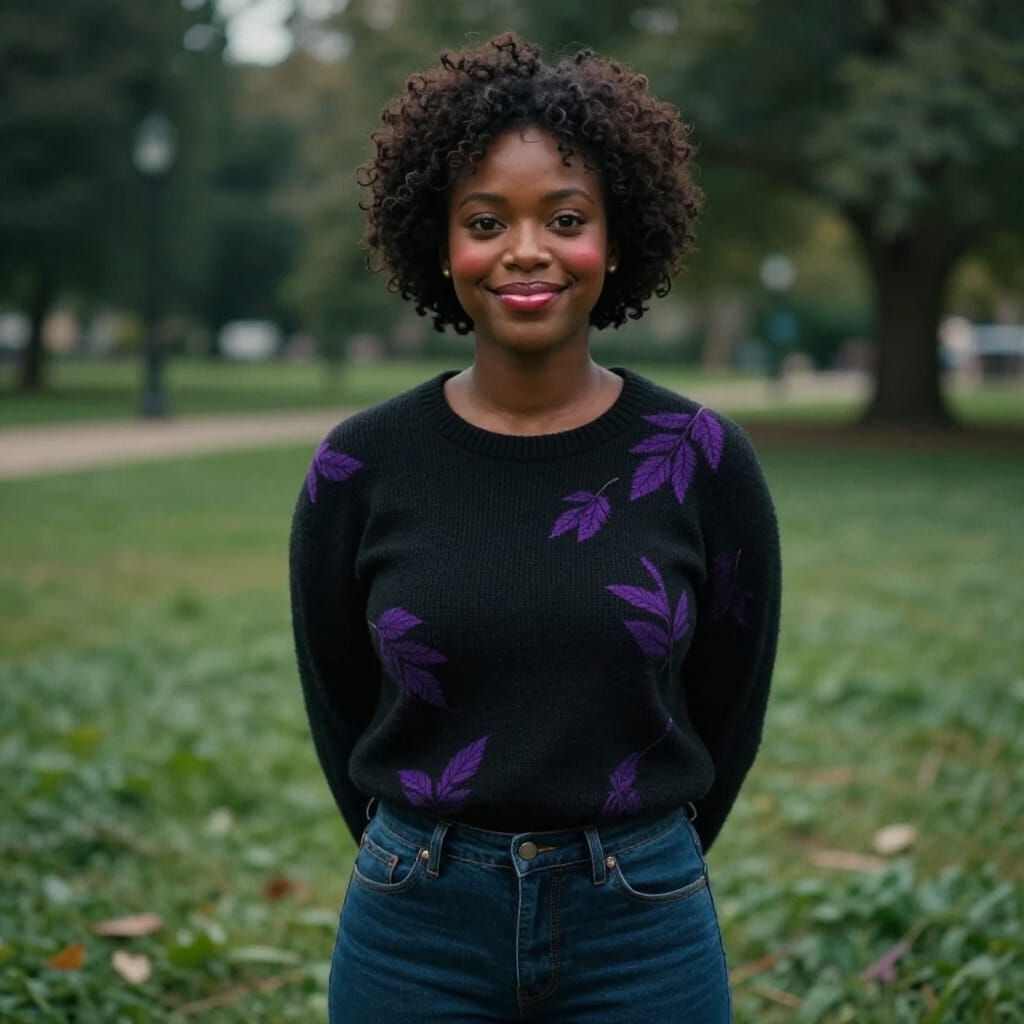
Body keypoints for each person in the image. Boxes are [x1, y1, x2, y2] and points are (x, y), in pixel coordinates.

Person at [289, 31, 782, 1024]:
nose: (525, 250)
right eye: (484, 219)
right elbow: (339, 700)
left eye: (565, 217)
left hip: (642, 922)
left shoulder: (699, 455)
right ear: (439, 241)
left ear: (617, 236)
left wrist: (635, 856)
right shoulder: (360, 465)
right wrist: (425, 852)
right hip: (411, 921)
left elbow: (729, 707)